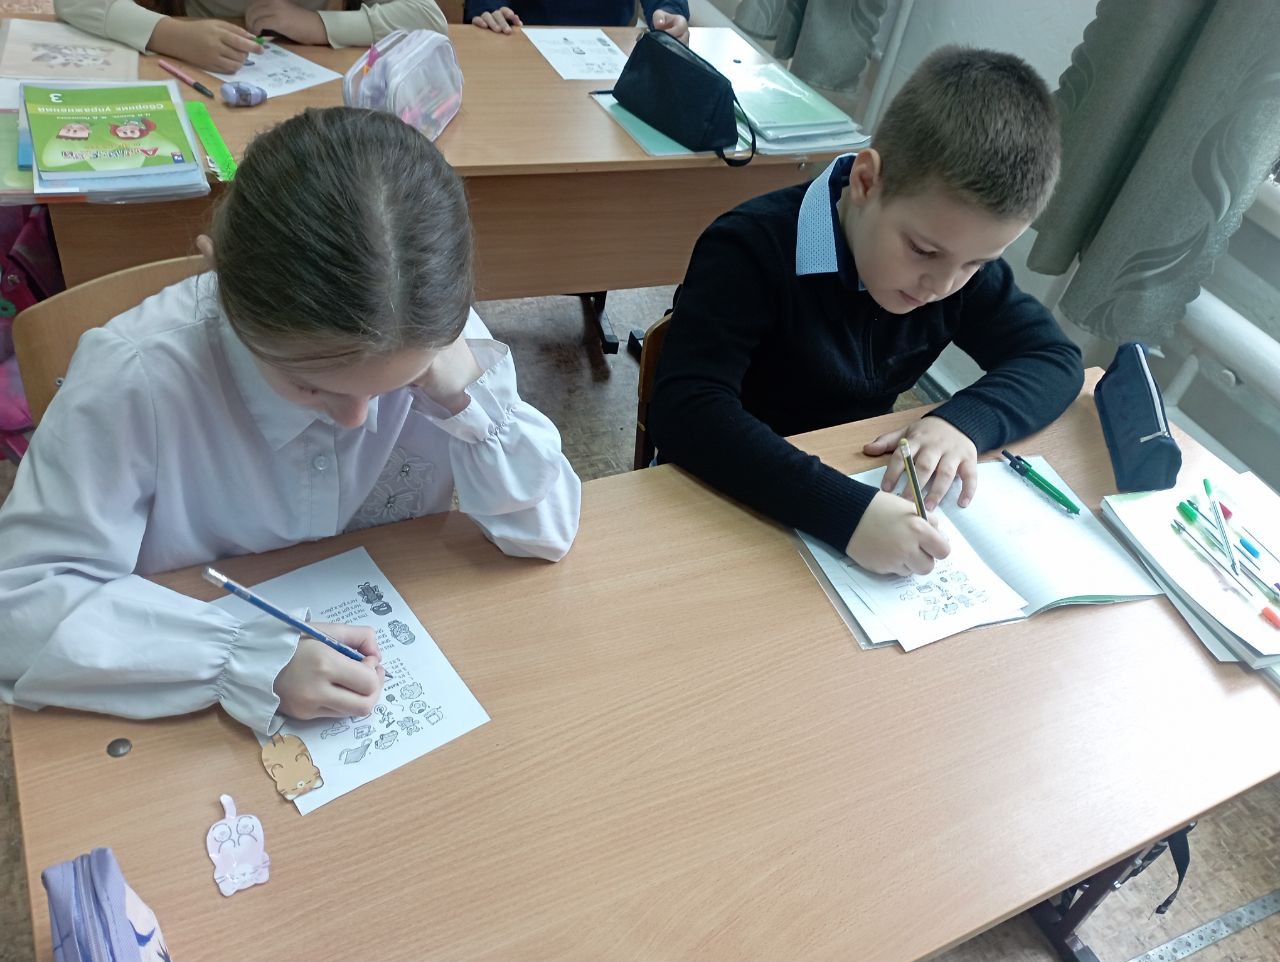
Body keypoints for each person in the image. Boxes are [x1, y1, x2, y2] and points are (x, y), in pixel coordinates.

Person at [0, 107, 581, 735]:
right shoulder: (134, 377)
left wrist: (467, 399)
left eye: (397, 384)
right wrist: (241, 658)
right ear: (220, 278)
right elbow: (19, 606)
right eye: (311, 386)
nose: (357, 419)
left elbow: (546, 533)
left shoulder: (428, 328)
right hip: (189, 722)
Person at [649, 46, 1084, 577]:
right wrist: (846, 514)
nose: (942, 285)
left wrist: (962, 423)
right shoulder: (748, 248)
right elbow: (688, 410)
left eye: (977, 263)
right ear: (865, 182)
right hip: (723, 495)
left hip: (843, 479)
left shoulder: (953, 257)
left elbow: (1053, 358)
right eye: (922, 251)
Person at [53, 0, 448, 74]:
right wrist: (170, 34)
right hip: (199, 79)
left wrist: (316, 24)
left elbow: (428, 16)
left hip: (313, 89)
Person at [467, 0, 689, 42]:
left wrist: (668, 12)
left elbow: (667, 5)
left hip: (607, 49)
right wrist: (489, 8)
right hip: (523, 41)